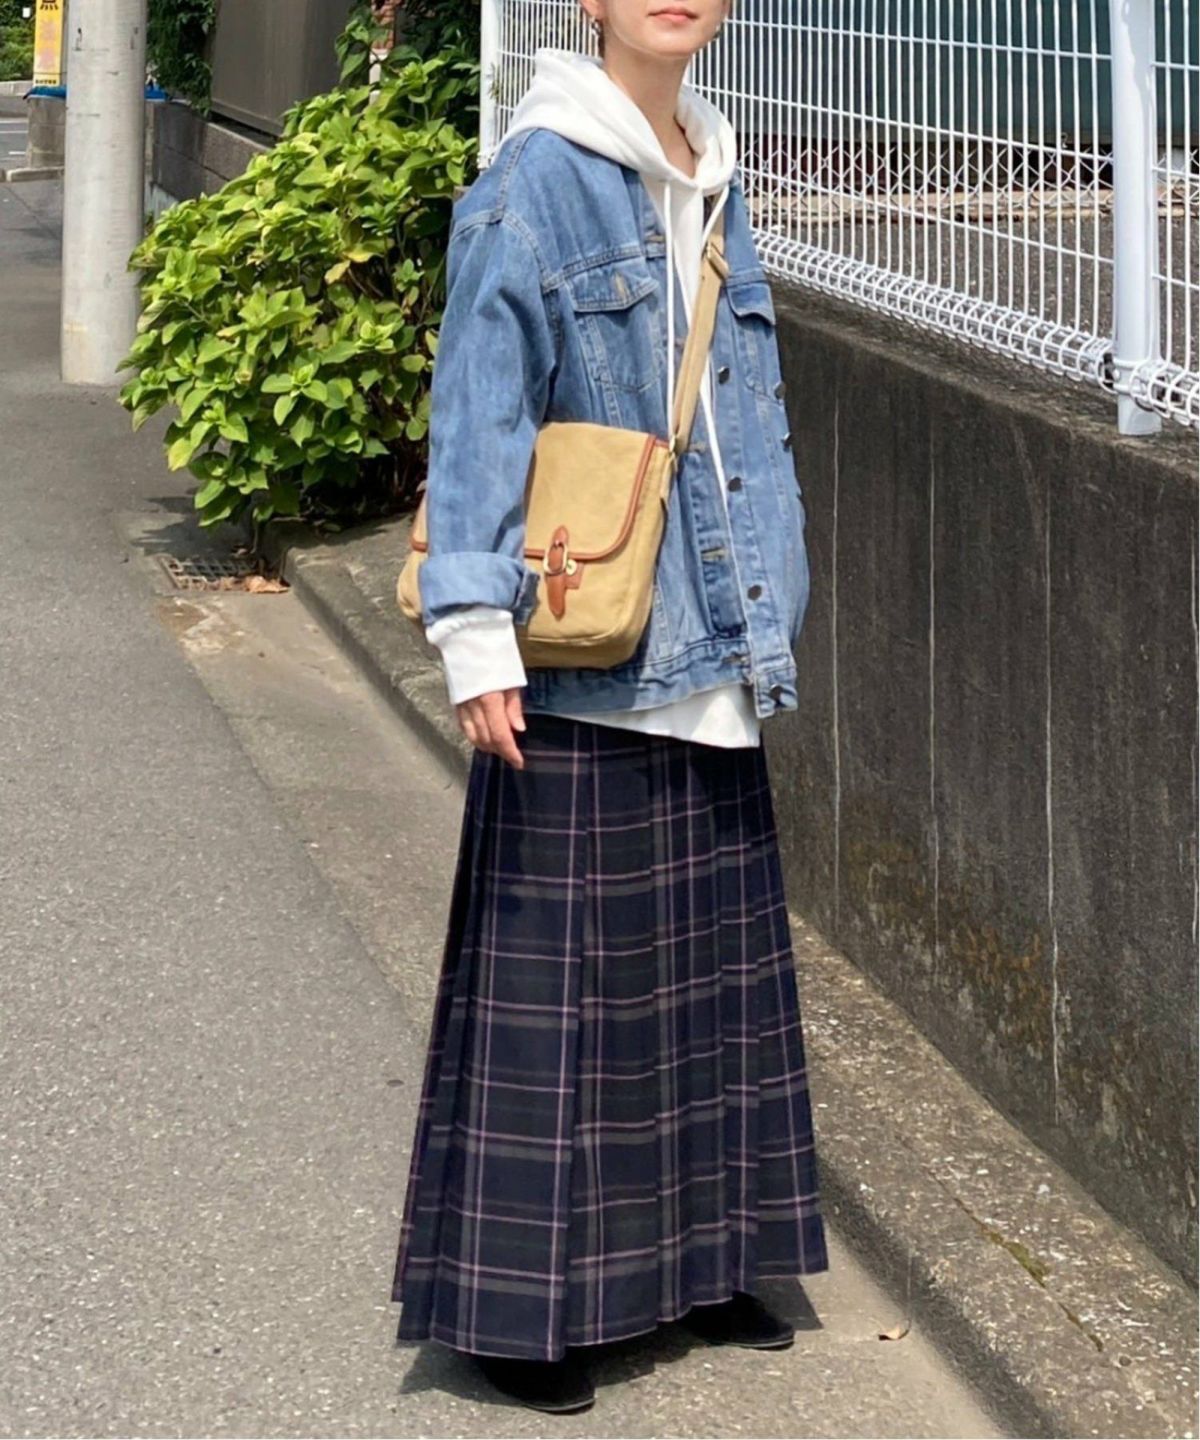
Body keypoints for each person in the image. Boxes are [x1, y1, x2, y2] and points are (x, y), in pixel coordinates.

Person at [391, 0, 829, 1415]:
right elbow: (480, 408)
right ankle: (526, 1313)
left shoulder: (714, 166)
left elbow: (744, 413)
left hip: (711, 638)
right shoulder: (534, 179)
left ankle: (711, 1266)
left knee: (699, 1003)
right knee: (567, 1002)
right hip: (587, 647)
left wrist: (771, 596)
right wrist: (475, 635)